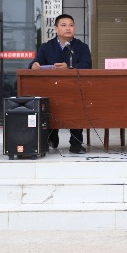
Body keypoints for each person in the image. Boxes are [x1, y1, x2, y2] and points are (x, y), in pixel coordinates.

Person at [28, 13, 91, 154]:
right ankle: (51, 138)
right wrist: (34, 65)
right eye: (64, 25)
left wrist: (69, 68)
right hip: (51, 88)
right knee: (49, 104)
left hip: (74, 90)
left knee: (76, 107)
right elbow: (35, 63)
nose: (68, 28)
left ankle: (76, 143)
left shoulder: (81, 47)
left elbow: (87, 66)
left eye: (71, 25)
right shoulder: (46, 47)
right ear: (56, 29)